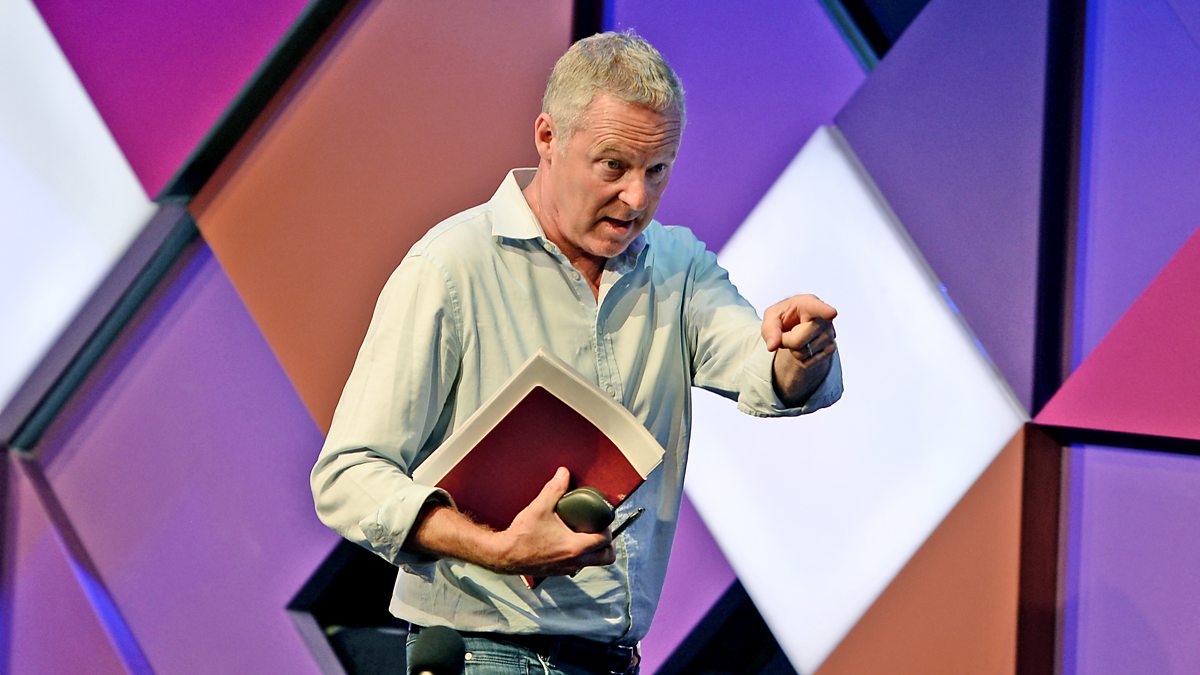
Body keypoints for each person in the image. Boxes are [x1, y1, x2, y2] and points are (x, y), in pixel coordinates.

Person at [311, 31, 842, 675]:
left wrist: (801, 354)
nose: (638, 197)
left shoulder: (677, 266)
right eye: (613, 166)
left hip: (613, 660)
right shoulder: (452, 266)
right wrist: (493, 547)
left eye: (658, 170)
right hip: (486, 653)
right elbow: (348, 476)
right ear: (547, 137)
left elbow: (761, 369)